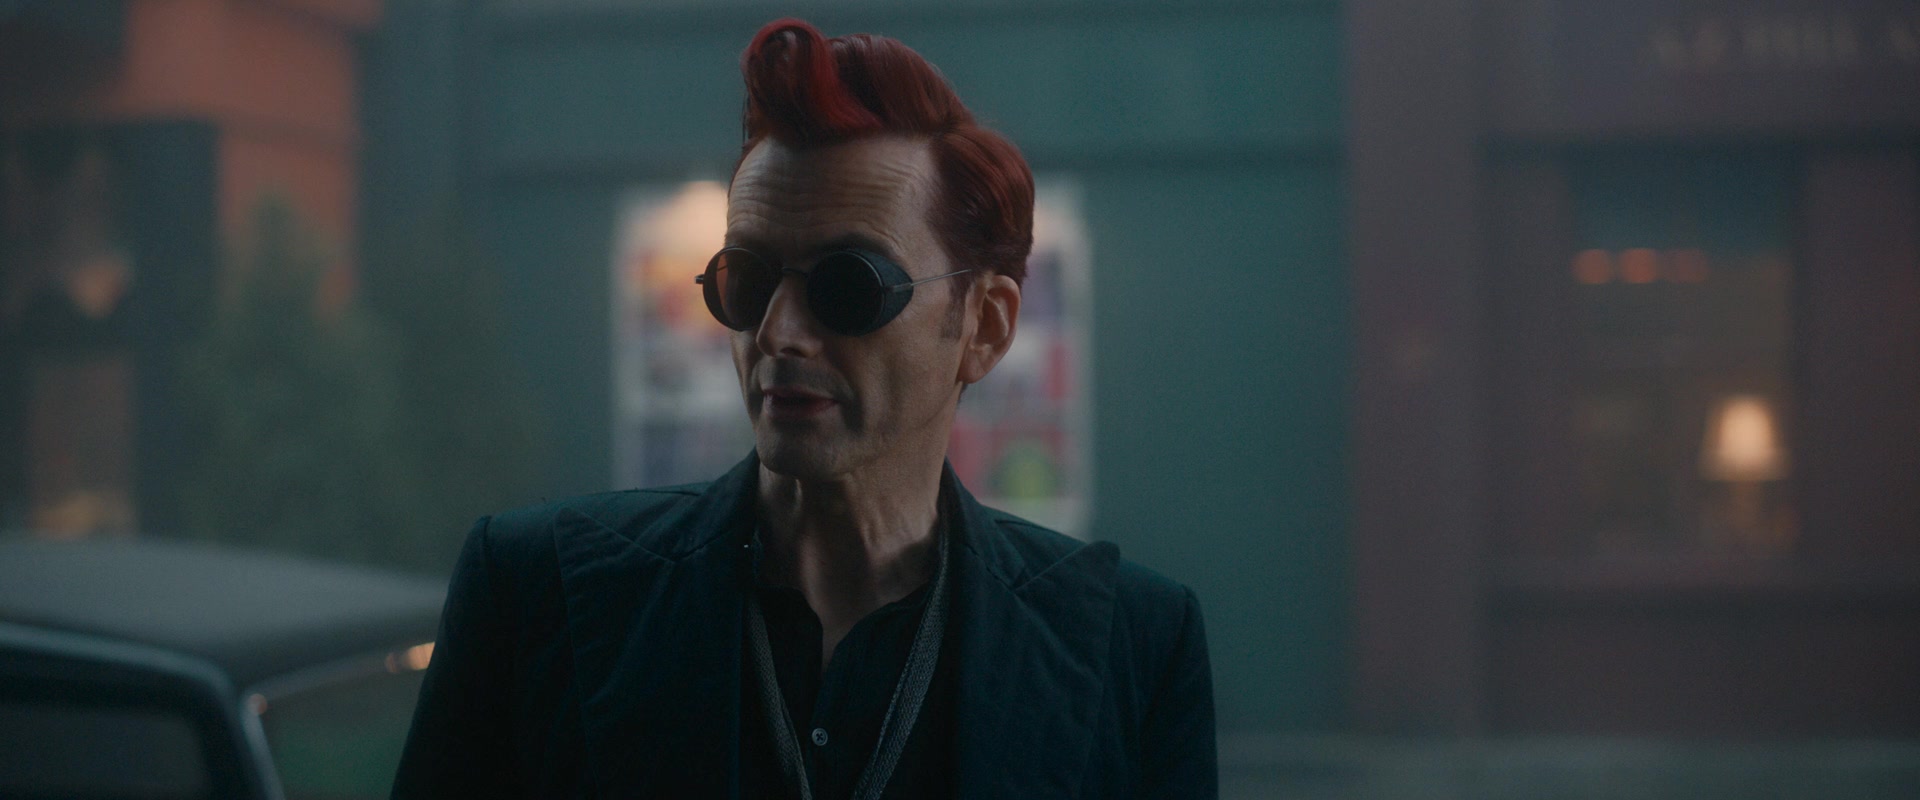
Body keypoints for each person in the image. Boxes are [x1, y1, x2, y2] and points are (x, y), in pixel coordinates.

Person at [391, 18, 1215, 800]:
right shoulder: (536, 596)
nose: (778, 332)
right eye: (745, 281)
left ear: (985, 326)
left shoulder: (1131, 646)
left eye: (850, 286)